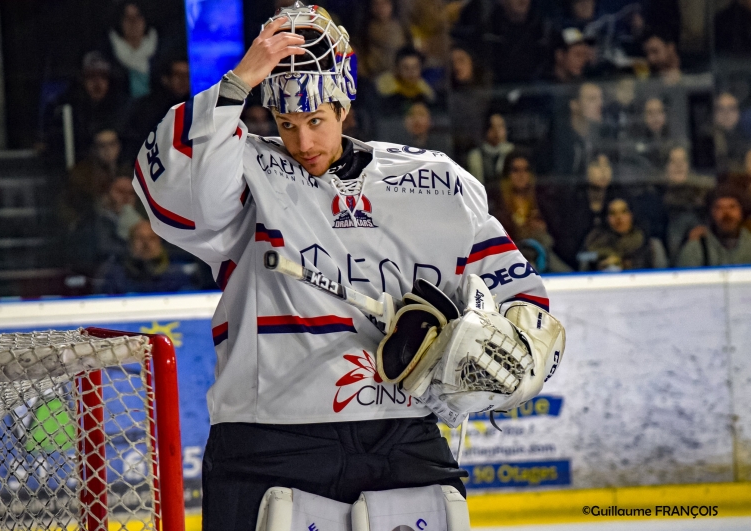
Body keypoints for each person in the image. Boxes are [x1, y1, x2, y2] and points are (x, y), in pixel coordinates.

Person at [132, 4, 562, 529]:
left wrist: (513, 355)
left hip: (401, 434)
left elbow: (523, 299)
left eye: (315, 121)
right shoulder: (247, 171)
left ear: (343, 105)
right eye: (287, 124)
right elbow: (169, 193)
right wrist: (239, 81)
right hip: (269, 437)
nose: (303, 143)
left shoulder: (435, 183)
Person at [96, 220, 198, 294]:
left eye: (151, 238)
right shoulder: (116, 276)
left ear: (159, 242)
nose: (146, 243)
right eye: (140, 238)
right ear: (130, 243)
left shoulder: (177, 276)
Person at [581, 197, 667, 271]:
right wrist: (602, 263)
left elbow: (662, 278)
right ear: (606, 218)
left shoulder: (652, 245)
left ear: (631, 215)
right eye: (612, 213)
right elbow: (582, 257)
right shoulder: (594, 241)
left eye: (624, 212)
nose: (618, 218)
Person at [677, 187, 751, 267]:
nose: (726, 213)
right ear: (711, 213)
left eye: (732, 207)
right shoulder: (695, 248)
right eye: (719, 207)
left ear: (742, 212)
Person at [109, 1, 159, 99]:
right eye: (127, 18)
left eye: (137, 16)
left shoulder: (162, 53)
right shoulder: (107, 57)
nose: (133, 22)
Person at [466, 113, 514, 186]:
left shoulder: (512, 152)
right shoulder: (475, 156)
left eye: (501, 126)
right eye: (494, 127)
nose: (498, 131)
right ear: (487, 130)